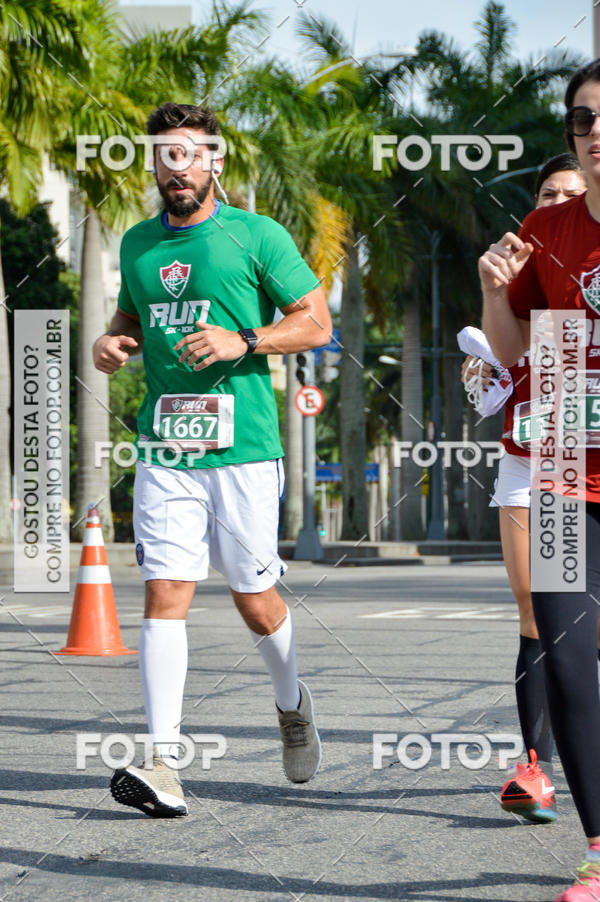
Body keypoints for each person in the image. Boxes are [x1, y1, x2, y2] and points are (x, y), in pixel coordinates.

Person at [93, 102, 332, 818]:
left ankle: (291, 703)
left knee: (254, 601)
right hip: (166, 445)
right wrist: (112, 344)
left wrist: (245, 342)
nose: (178, 167)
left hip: (245, 447)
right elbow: (129, 320)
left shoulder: (256, 235)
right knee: (165, 590)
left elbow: (316, 321)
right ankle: (164, 761)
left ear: (215, 161)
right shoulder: (138, 245)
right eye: (165, 154)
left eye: (190, 153)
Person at [480, 60, 600, 901]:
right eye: (583, 119)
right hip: (560, 467)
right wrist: (494, 292)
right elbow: (518, 350)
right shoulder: (548, 229)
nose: (595, 132)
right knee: (563, 655)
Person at [461, 154, 586, 825]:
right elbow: (486, 390)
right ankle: (533, 771)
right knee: (538, 616)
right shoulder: (515, 271)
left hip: (585, 466)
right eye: (548, 195)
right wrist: (484, 367)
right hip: (528, 464)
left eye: (573, 193)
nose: (560, 203)